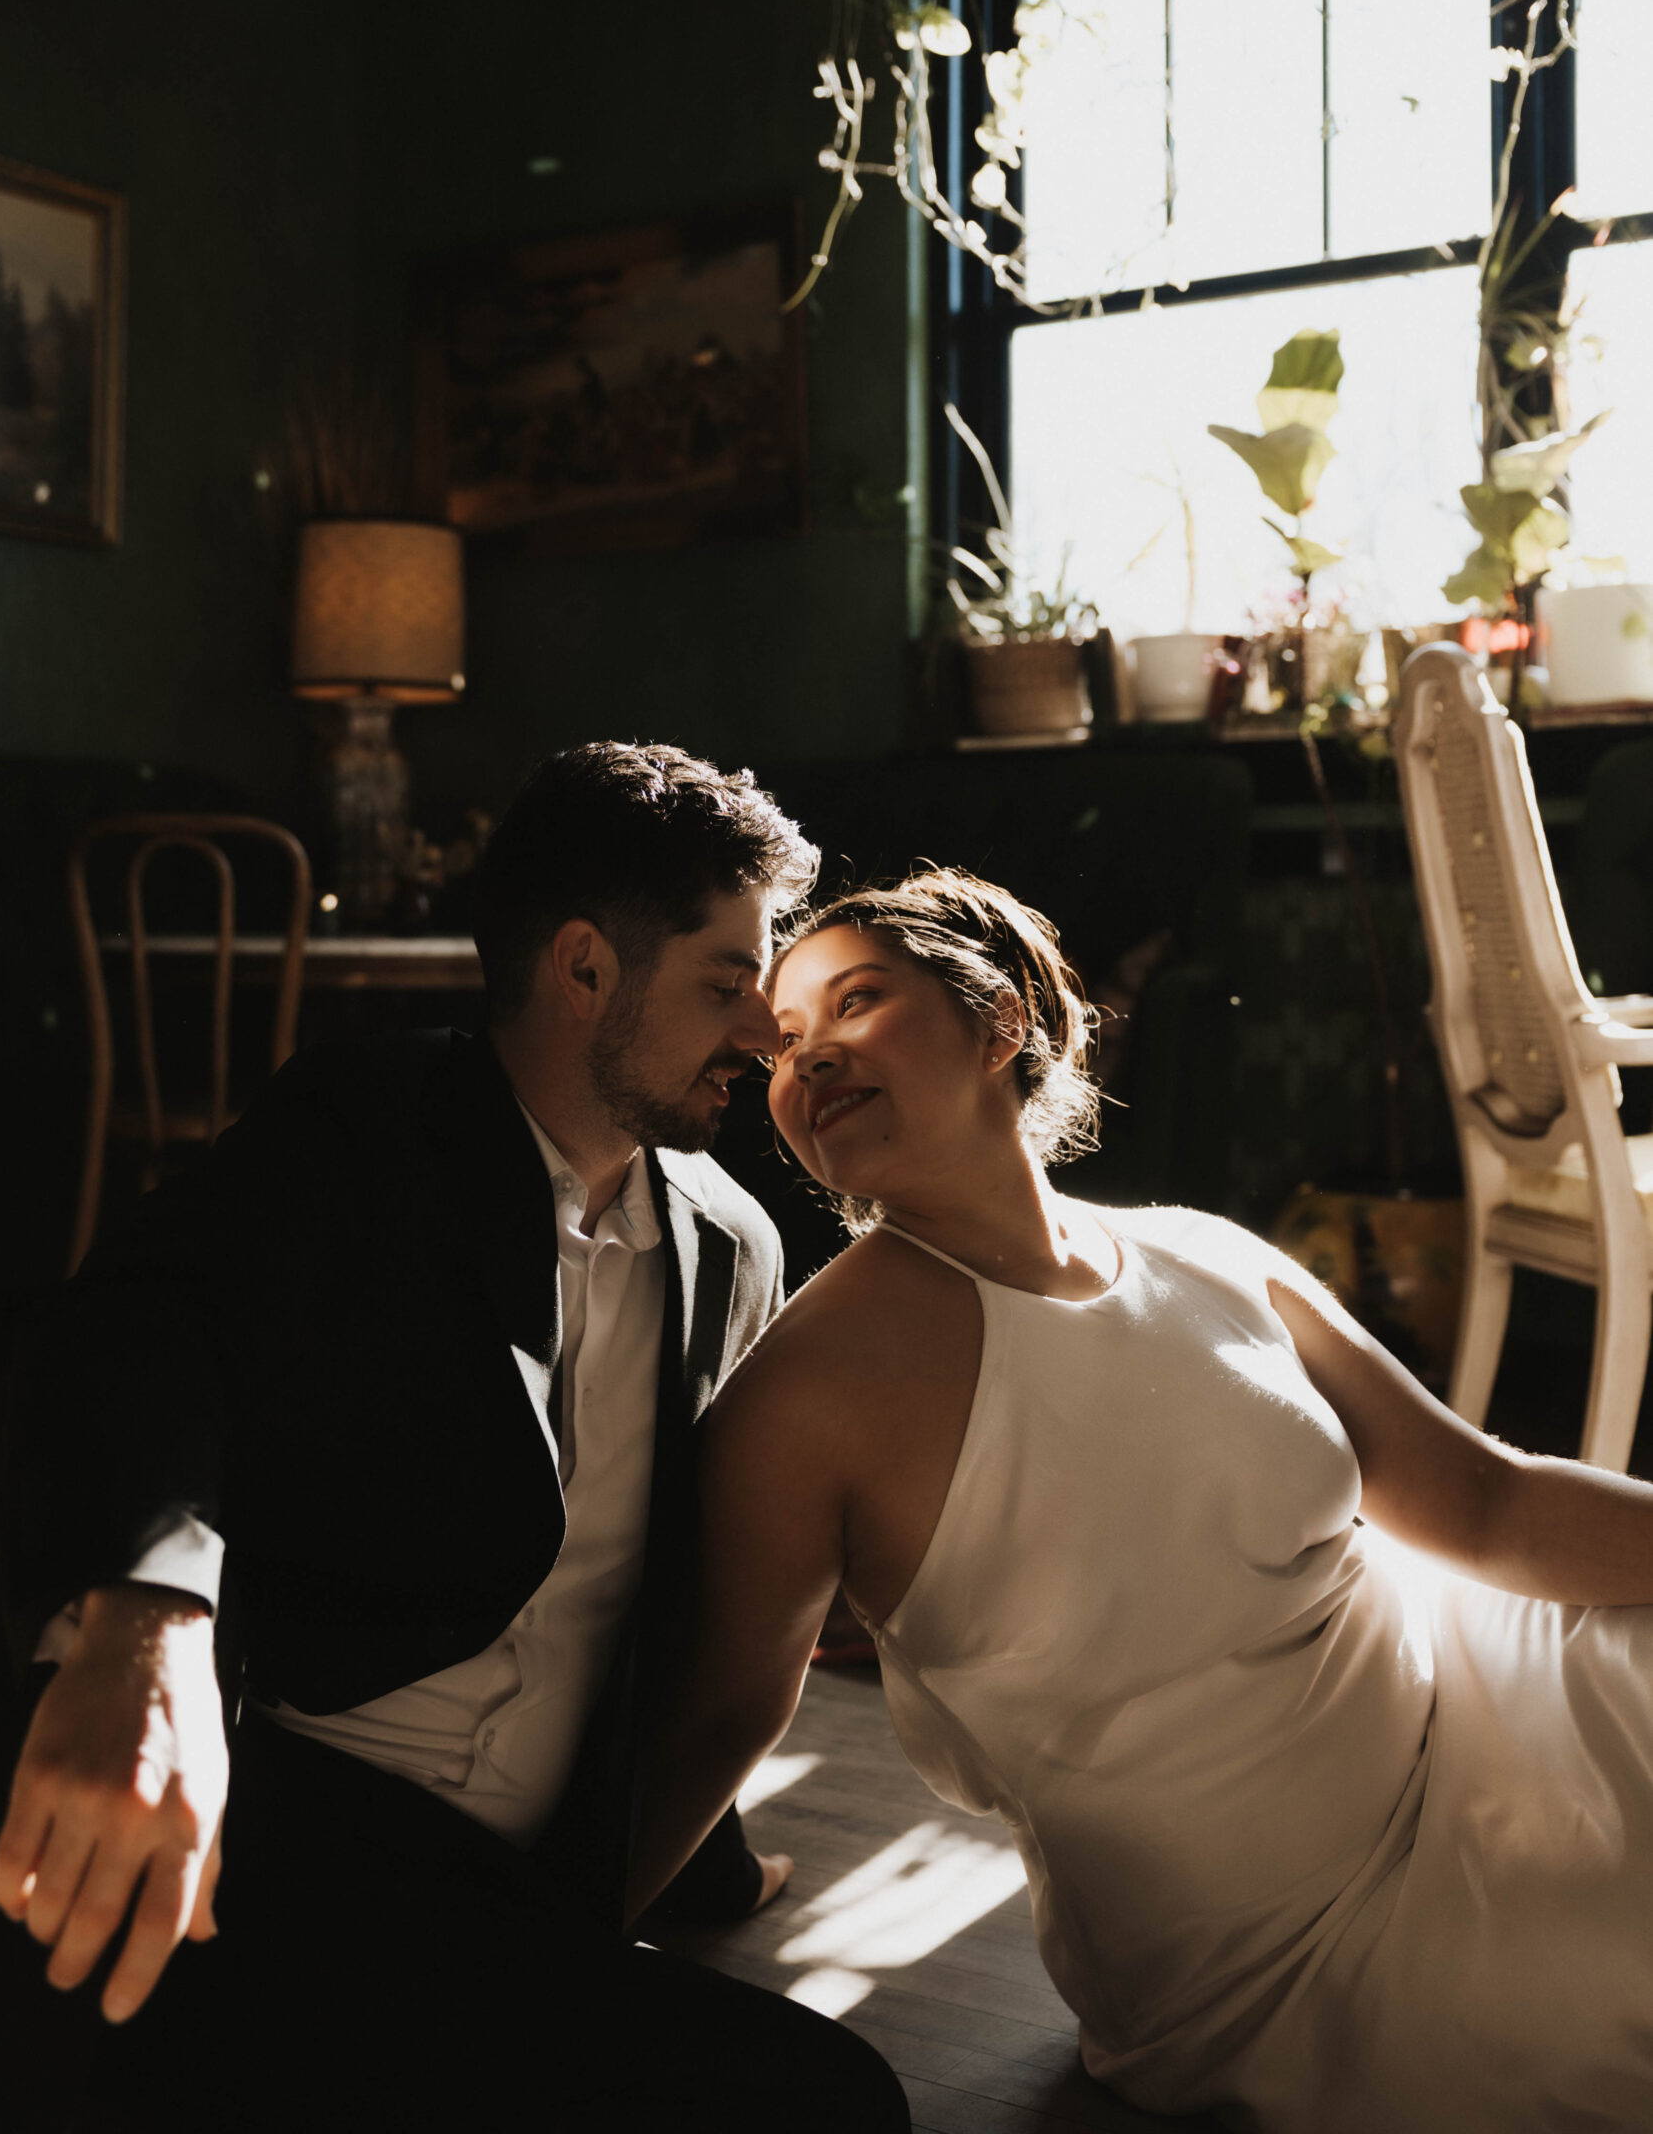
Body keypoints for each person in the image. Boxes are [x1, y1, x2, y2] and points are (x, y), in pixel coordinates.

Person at [0, 744, 909, 2134]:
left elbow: (682, 1597)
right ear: (583, 968)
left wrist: (700, 1857)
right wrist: (145, 1620)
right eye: (725, 985)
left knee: (835, 2103)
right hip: (269, 1818)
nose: (765, 1037)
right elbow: (134, 1332)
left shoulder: (734, 1246)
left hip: (501, 1895)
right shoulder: (365, 1126)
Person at [627, 866, 1653, 2134]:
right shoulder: (807, 1393)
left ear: (998, 1016)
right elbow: (721, 1710)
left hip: (1479, 1714)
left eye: (857, 1004)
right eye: (784, 1046)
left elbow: (1489, 1507)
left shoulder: (1205, 1252)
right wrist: (531, 1965)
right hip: (1281, 1956)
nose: (810, 1062)